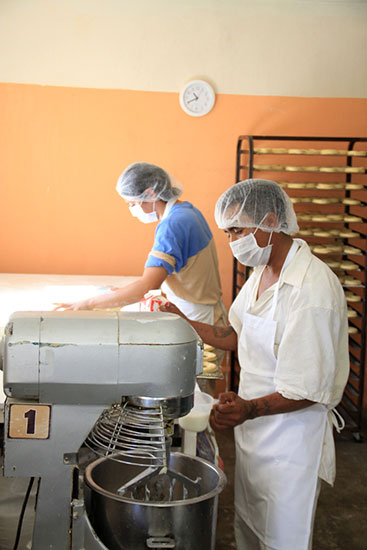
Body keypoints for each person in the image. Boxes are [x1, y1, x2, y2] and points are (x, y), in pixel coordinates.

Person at [161, 178, 349, 550]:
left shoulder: (312, 291)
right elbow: (235, 335)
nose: (233, 241)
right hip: (255, 431)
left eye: (237, 230)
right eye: (228, 232)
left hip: (290, 439)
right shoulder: (262, 274)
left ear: (268, 221)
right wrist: (178, 319)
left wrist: (248, 408)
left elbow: (309, 390)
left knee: (282, 536)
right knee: (249, 526)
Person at [54, 161, 226, 335]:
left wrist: (87, 304)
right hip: (203, 312)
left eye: (132, 204)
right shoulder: (188, 211)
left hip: (197, 318)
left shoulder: (173, 224)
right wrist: (122, 293)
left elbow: (147, 285)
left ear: (150, 194)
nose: (132, 210)